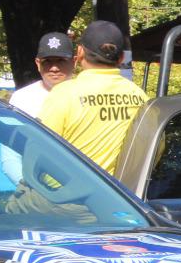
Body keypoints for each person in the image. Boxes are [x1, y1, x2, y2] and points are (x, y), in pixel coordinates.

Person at [37, 20, 147, 174]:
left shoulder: (64, 93)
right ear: (122, 58)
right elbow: (154, 148)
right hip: (122, 193)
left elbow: (40, 148)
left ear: (80, 52)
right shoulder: (140, 96)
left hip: (65, 192)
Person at [11, 32, 76, 117]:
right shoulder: (22, 98)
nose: (54, 68)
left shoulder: (87, 95)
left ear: (74, 62)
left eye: (61, 61)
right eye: (47, 61)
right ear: (38, 64)